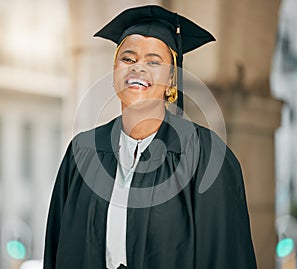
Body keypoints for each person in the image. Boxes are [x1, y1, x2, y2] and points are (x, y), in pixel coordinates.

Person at [43, 5, 257, 269]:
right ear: (114, 72)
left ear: (171, 79)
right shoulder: (83, 153)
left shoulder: (204, 155)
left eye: (154, 61)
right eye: (128, 59)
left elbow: (226, 255)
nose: (138, 69)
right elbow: (56, 250)